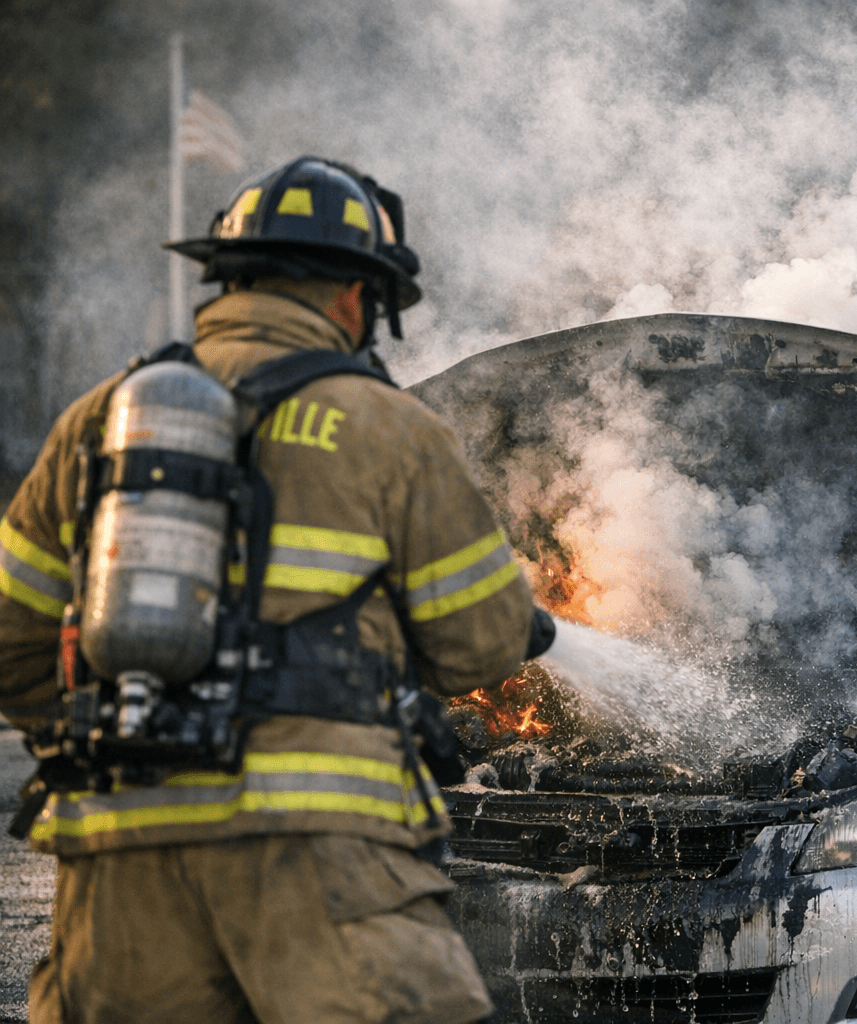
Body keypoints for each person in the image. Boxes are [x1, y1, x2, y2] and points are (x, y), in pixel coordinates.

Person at [0, 156, 543, 1023]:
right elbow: (478, 644)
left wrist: (124, 735)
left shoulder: (99, 421)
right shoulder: (391, 429)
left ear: (231, 278)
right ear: (351, 297)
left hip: (119, 857)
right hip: (320, 859)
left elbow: (13, 651)